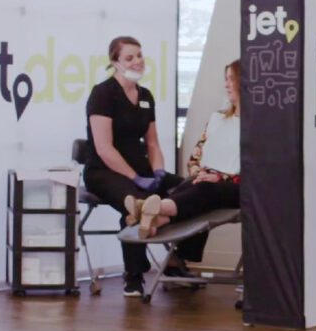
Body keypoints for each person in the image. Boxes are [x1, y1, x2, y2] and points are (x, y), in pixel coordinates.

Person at [84, 36, 184, 297]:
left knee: (190, 190)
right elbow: (105, 149)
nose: (137, 61)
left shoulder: (146, 96)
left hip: (140, 168)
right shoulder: (103, 94)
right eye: (129, 58)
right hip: (104, 171)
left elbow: (152, 144)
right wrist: (136, 178)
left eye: (139, 55)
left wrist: (159, 171)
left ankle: (176, 260)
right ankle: (134, 275)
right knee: (140, 202)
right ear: (115, 63)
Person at [126, 60, 242, 244]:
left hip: (238, 189)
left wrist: (220, 178)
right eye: (226, 79)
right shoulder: (217, 119)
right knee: (188, 185)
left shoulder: (257, 126)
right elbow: (195, 158)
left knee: (203, 188)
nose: (226, 84)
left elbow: (257, 171)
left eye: (231, 79)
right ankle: (154, 222)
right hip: (207, 180)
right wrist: (199, 173)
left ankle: (152, 209)